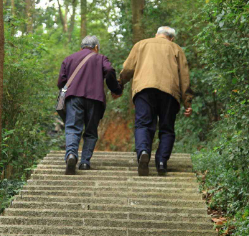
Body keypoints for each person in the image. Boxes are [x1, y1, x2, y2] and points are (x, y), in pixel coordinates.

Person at [119, 26, 193, 176]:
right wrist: (187, 101)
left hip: (144, 89)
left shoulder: (141, 44)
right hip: (170, 92)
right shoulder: (176, 49)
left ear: (156, 35)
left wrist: (120, 83)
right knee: (167, 128)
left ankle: (143, 152)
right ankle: (161, 162)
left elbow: (127, 68)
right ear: (171, 38)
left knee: (143, 124)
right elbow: (184, 77)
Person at [57, 35, 123, 175]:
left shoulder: (69, 59)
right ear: (96, 47)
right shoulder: (100, 58)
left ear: (81, 47)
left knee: (73, 128)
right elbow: (110, 71)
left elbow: (60, 83)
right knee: (91, 132)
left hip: (74, 98)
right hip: (95, 98)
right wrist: (115, 89)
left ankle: (71, 155)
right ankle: (85, 162)